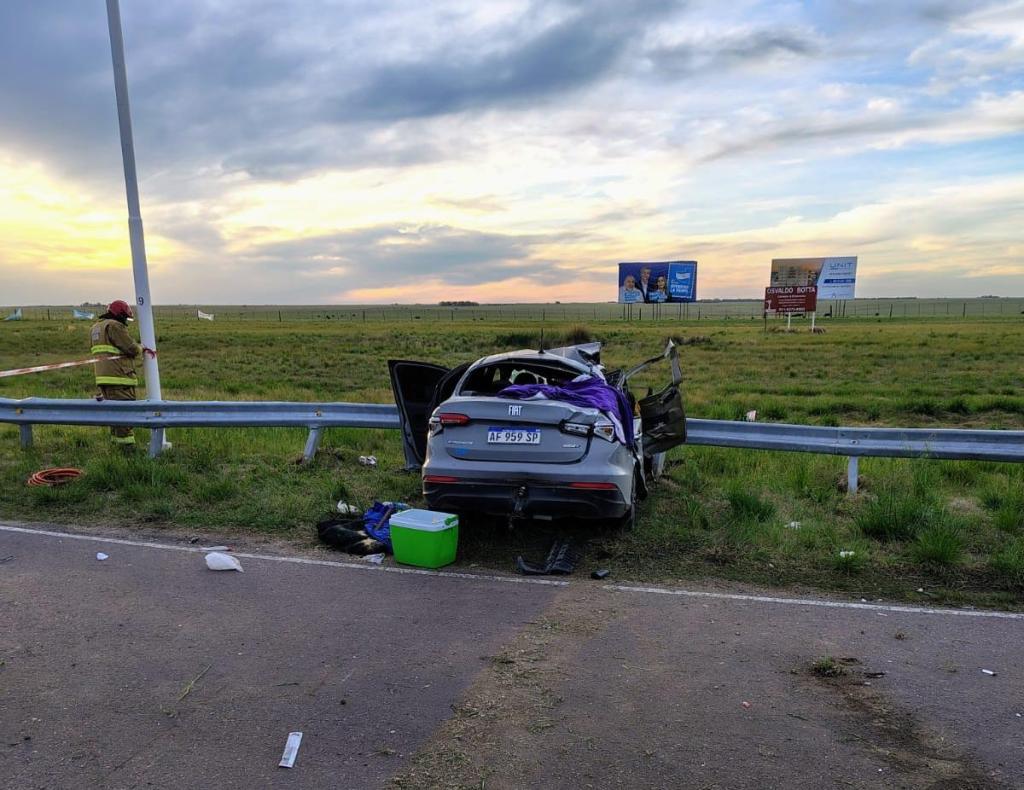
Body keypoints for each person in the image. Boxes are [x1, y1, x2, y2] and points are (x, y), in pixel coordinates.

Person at [90, 300, 152, 448]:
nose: (126, 321)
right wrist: (141, 347)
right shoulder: (115, 326)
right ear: (120, 315)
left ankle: (116, 447)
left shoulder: (96, 328)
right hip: (120, 378)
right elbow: (131, 348)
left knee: (114, 415)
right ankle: (127, 450)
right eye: (125, 318)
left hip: (103, 378)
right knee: (125, 416)